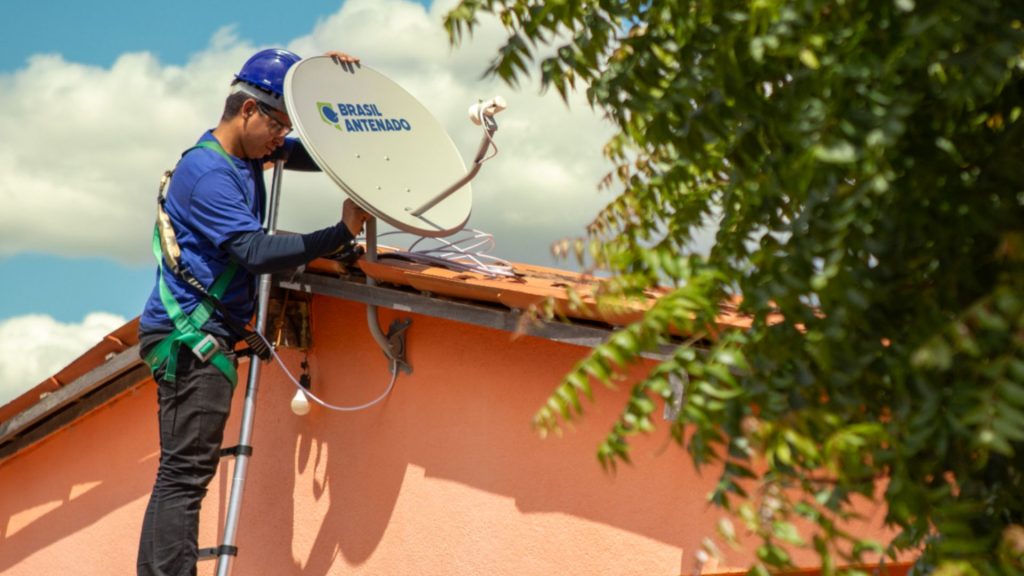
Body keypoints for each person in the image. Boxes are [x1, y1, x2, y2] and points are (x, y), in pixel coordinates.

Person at [136, 48, 369, 576]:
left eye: (286, 128)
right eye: (276, 125)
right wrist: (338, 234)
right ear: (246, 111)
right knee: (186, 475)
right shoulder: (209, 174)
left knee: (180, 474)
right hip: (191, 338)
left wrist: (329, 86)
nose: (280, 139)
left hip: (199, 334)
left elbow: (316, 152)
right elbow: (254, 252)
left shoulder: (247, 156)